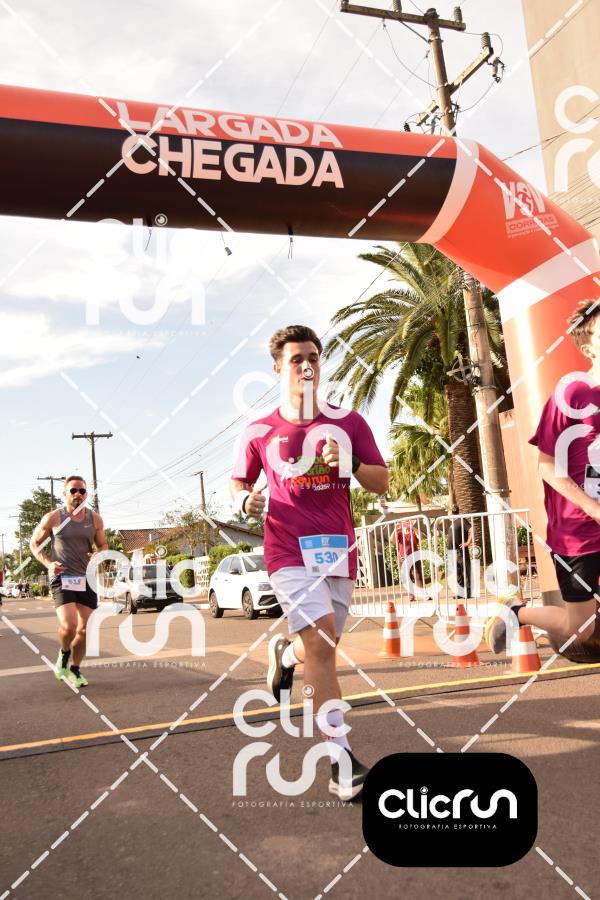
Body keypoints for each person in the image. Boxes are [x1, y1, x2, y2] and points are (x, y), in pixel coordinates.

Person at [231, 324, 389, 799]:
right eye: (296, 358)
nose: (306, 365)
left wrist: (351, 464)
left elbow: (381, 482)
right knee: (321, 643)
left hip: (338, 550)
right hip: (287, 549)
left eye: (313, 357)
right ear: (277, 367)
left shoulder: (349, 423)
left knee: (321, 645)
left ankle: (285, 654)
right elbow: (239, 484)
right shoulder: (258, 431)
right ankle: (340, 760)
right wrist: (244, 502)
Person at [486, 299, 600, 656]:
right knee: (581, 628)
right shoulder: (573, 393)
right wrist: (594, 509)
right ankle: (517, 613)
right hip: (578, 530)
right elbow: (546, 465)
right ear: (589, 349)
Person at [29, 475, 108, 687]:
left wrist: (98, 554)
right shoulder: (53, 518)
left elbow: (103, 545)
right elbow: (34, 543)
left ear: (86, 494)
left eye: (82, 491)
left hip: (86, 578)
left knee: (84, 629)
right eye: (73, 490)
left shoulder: (95, 519)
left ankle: (75, 669)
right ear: (65, 494)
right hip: (62, 576)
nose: (78, 494)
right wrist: (48, 564)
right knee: (69, 625)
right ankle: (64, 653)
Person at [446, 508, 474, 600]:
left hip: (460, 550)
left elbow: (472, 530)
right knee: (457, 572)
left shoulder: (462, 520)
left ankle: (469, 592)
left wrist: (468, 542)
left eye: (448, 512)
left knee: (466, 570)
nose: (447, 514)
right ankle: (460, 593)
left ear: (452, 512)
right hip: (452, 551)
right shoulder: (453, 522)